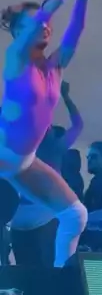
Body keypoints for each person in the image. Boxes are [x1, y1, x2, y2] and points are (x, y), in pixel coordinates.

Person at [0, 0, 101, 267]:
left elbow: (77, 29)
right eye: (33, 24)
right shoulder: (16, 58)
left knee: (75, 215)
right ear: (18, 33)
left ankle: (60, 280)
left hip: (24, 161)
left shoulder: (55, 65)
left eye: (45, 24)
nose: (43, 26)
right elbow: (45, 12)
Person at [8, 80, 85, 266]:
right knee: (49, 271)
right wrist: (66, 96)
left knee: (24, 272)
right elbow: (78, 125)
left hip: (19, 219)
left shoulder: (16, 148)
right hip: (43, 217)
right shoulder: (55, 147)